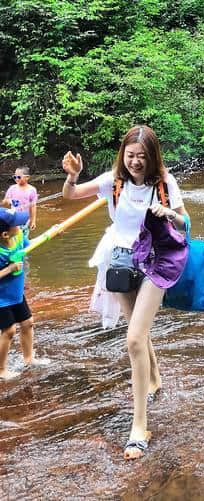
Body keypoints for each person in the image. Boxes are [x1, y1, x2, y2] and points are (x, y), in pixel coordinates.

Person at [61, 125, 189, 460]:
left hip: (156, 261)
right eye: (130, 156)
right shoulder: (113, 181)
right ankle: (156, 378)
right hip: (119, 258)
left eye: (142, 157)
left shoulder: (164, 182)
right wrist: (72, 177)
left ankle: (139, 426)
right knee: (139, 330)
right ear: (123, 155)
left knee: (133, 339)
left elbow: (185, 223)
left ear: (152, 157)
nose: (135, 162)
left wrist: (169, 213)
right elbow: (70, 197)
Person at [0, 212, 50, 380]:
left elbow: (31, 245)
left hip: (16, 293)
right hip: (1, 298)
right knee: (9, 330)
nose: (20, 226)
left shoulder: (19, 236)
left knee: (28, 323)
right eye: (16, 224)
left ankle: (29, 359)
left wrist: (49, 234)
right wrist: (9, 269)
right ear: (5, 234)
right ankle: (1, 370)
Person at [2, 166, 37, 231]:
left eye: (19, 177)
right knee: (14, 235)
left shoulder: (32, 190)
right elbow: (4, 201)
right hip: (14, 218)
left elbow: (33, 206)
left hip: (25, 218)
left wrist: (33, 221)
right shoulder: (12, 188)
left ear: (27, 177)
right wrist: (9, 201)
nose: (16, 179)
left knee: (24, 234)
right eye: (15, 177)